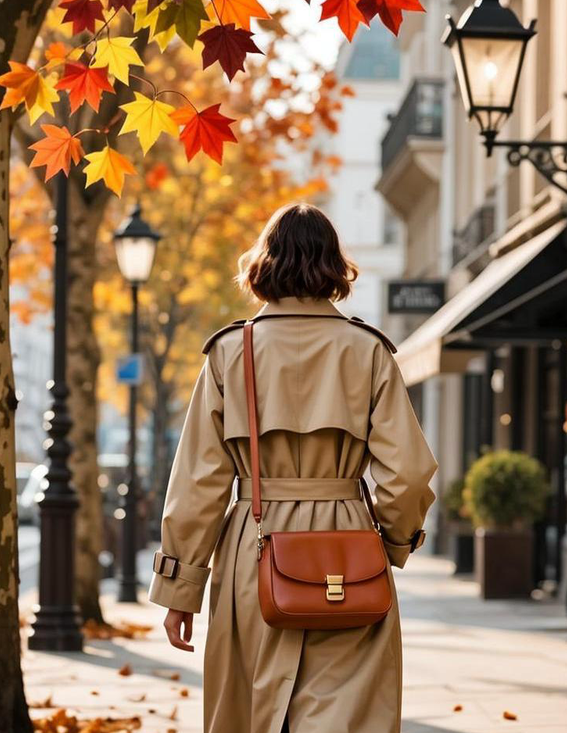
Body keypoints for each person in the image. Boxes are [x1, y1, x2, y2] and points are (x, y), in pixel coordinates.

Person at [149, 202, 437, 733]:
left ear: (264, 265)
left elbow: (198, 483)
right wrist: (391, 545)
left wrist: (179, 588)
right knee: (348, 714)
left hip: (252, 549)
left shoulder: (229, 354)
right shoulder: (369, 351)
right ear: (334, 266)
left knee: (253, 712)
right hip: (348, 548)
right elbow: (409, 474)